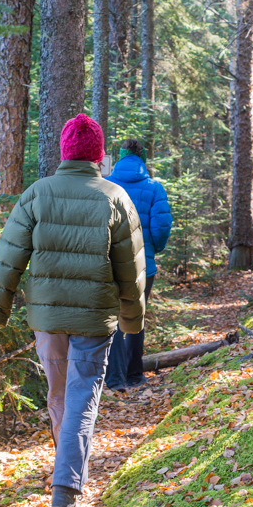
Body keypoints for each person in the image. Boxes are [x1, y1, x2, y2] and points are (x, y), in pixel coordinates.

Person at [0, 114, 146, 507]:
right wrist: (132, 319)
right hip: (94, 317)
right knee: (81, 401)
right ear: (98, 155)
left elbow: (8, 257)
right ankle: (67, 487)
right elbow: (131, 268)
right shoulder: (114, 197)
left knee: (59, 397)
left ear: (64, 152)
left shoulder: (38, 193)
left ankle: (64, 476)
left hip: (48, 317)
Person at [104, 139, 173, 390]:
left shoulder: (107, 184)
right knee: (135, 317)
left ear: (120, 156)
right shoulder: (154, 188)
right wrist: (153, 249)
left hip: (110, 262)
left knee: (112, 318)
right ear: (143, 157)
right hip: (143, 264)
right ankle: (134, 375)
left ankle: (114, 379)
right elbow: (162, 226)